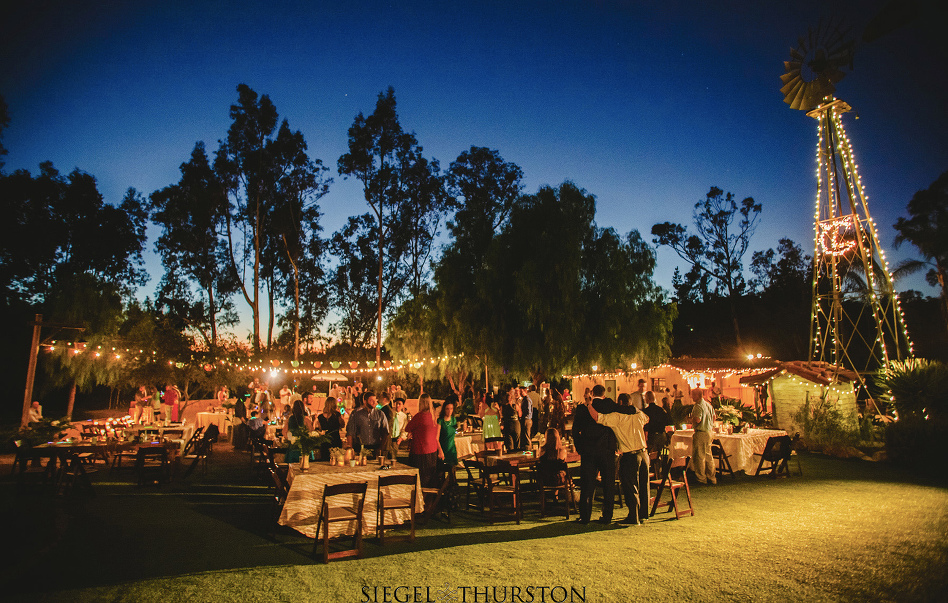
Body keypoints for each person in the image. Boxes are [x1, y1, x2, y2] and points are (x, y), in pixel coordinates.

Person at [572, 384, 635, 524]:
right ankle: (607, 516)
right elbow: (625, 410)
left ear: (592, 393)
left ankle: (585, 516)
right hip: (607, 450)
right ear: (604, 394)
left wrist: (580, 448)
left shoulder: (583, 408)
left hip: (588, 451)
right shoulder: (610, 405)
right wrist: (634, 409)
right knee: (608, 484)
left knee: (587, 484)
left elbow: (575, 431)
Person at [588, 393, 650, 525]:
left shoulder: (617, 417)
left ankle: (633, 517)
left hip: (630, 455)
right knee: (644, 485)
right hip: (644, 453)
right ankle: (643, 514)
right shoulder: (638, 415)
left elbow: (597, 417)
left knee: (630, 486)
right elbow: (647, 419)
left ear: (620, 403)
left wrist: (588, 404)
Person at [399, 394, 440, 487]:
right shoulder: (433, 416)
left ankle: (420, 498)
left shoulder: (419, 416)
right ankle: (430, 499)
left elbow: (407, 428)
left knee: (419, 478)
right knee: (430, 477)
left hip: (420, 450)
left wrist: (412, 429)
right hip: (432, 450)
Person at [345, 392, 389, 457]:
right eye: (371, 400)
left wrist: (381, 448)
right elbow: (350, 432)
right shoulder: (356, 414)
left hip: (375, 448)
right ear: (365, 401)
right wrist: (350, 450)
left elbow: (386, 432)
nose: (374, 402)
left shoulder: (380, 414)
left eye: (375, 400)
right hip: (360, 448)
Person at [691, 388, 717, 485]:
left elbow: (697, 419)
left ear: (697, 396)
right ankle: (712, 477)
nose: (691, 397)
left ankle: (701, 478)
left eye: (692, 395)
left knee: (700, 456)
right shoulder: (708, 405)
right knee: (708, 455)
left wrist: (691, 420)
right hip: (709, 431)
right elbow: (714, 417)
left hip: (701, 432)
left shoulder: (698, 406)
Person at [284, 398, 313, 463]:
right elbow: (311, 431)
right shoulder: (306, 420)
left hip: (293, 446)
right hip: (304, 446)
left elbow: (284, 432)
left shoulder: (290, 419)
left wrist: (291, 439)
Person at [317, 396, 343, 461]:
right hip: (335, 439)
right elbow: (342, 425)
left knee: (324, 460)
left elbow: (320, 428)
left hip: (324, 440)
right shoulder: (337, 415)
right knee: (336, 459)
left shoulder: (320, 416)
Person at [438, 400, 458, 466]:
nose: (449, 411)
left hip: (452, 449)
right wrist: (440, 451)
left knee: (453, 470)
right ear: (444, 409)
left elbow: (454, 431)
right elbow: (436, 438)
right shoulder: (440, 421)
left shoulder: (453, 420)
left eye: (451, 409)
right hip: (443, 448)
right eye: (447, 409)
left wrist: (459, 429)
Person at [502, 388, 522, 452]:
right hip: (516, 424)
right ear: (512, 399)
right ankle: (517, 456)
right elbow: (520, 415)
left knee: (509, 443)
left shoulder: (503, 407)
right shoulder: (516, 406)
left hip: (508, 424)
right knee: (517, 442)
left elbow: (501, 416)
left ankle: (510, 456)